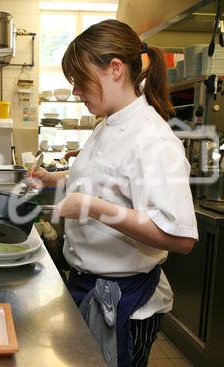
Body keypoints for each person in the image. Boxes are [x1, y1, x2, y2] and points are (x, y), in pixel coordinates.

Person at [30, 19, 198, 367]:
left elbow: (180, 238)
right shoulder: (108, 124)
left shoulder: (153, 140)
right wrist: (52, 178)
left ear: (115, 69)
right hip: (88, 287)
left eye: (80, 80)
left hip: (124, 302)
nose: (76, 91)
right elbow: (105, 179)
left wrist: (93, 207)